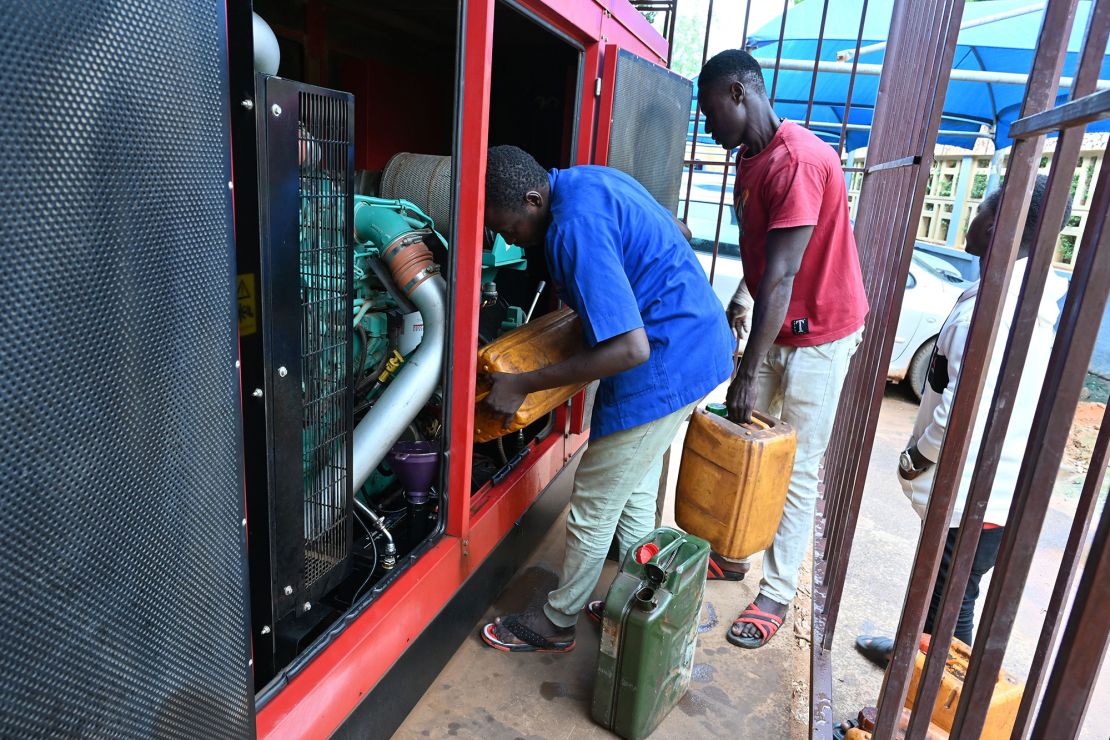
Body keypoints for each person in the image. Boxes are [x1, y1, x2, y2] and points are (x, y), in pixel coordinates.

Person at [478, 145, 735, 652]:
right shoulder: (584, 179)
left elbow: (630, 347)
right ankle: (635, 599)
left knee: (593, 503)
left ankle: (557, 621)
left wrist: (524, 383)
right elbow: (677, 229)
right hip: (697, 342)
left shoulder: (574, 227)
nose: (510, 240)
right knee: (634, 486)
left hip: (667, 357)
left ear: (533, 199)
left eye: (511, 229)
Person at [855, 175, 1072, 667]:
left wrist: (916, 457)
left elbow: (965, 409)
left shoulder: (1005, 309)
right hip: (982, 484)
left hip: (981, 492)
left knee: (954, 599)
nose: (971, 220)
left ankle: (932, 699)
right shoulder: (1010, 294)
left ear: (997, 224)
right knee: (939, 584)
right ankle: (913, 657)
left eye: (979, 208)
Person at [697, 49, 869, 649]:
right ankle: (738, 552)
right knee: (751, 444)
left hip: (819, 333)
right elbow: (764, 257)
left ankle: (778, 590)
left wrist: (747, 371)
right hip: (780, 322)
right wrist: (741, 296)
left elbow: (785, 274)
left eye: (711, 110)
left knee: (795, 464)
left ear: (741, 93)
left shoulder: (796, 161)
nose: (709, 126)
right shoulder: (751, 156)